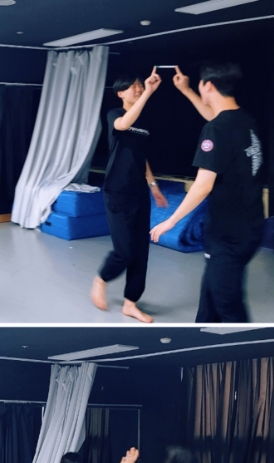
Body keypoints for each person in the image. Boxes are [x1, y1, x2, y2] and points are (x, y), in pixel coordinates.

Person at [151, 63, 265, 323]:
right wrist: (187, 90)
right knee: (210, 300)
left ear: (209, 85)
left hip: (228, 235)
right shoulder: (245, 120)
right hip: (250, 226)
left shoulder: (216, 129)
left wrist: (171, 220)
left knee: (227, 305)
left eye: (200, 84)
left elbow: (203, 185)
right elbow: (215, 118)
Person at [91, 68, 168, 324]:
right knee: (125, 250)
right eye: (133, 86)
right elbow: (124, 125)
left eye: (140, 85)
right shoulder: (115, 114)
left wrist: (153, 185)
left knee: (141, 251)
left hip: (139, 192)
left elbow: (140, 157)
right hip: (117, 191)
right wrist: (148, 92)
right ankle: (101, 278)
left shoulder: (143, 122)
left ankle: (130, 303)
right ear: (120, 93)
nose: (138, 88)